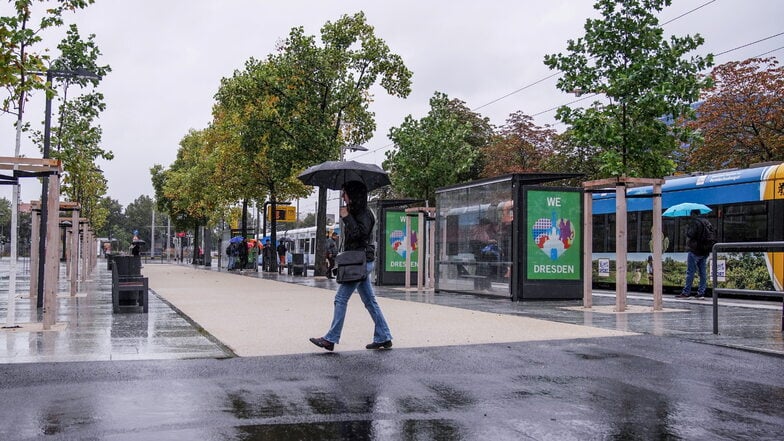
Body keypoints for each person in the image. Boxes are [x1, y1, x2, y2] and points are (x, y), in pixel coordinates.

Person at [310, 180, 393, 352]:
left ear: (353, 194)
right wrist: (347, 216)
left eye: (345, 192)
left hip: (360, 261)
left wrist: (347, 217)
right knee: (370, 301)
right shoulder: (358, 211)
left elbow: (360, 235)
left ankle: (330, 339)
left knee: (340, 299)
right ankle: (384, 336)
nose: (342, 196)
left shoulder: (364, 213)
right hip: (360, 260)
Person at [678, 209, 710, 299]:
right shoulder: (707, 222)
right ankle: (701, 292)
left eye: (691, 214)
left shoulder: (695, 223)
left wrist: (687, 229)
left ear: (693, 214)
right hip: (705, 251)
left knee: (690, 272)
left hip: (695, 250)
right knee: (703, 273)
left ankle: (686, 292)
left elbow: (690, 234)